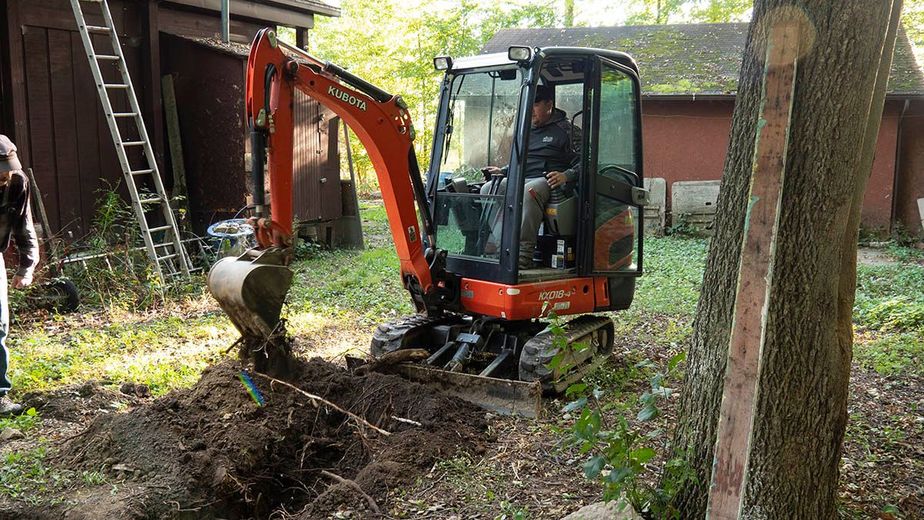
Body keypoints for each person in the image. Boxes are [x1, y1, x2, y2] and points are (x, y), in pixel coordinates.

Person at [481, 84, 581, 268]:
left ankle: (522, 256)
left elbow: (588, 161)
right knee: (489, 188)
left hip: (548, 181)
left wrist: (566, 175)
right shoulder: (526, 131)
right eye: (528, 105)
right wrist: (503, 171)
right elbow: (522, 161)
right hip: (523, 178)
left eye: (535, 104)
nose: (531, 110)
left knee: (530, 191)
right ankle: (501, 246)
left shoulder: (567, 131)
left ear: (549, 104)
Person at [0, 135, 39, 417]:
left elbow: (24, 226)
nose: (6, 174)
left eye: (9, 168)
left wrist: (27, 266)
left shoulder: (17, 183)